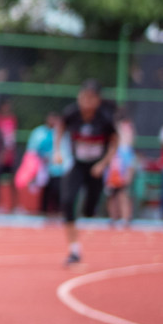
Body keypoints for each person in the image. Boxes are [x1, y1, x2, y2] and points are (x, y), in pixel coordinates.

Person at [56, 80, 119, 266]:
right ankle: (74, 250)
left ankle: (89, 212)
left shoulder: (105, 119)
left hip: (96, 169)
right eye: (82, 97)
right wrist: (57, 150)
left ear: (98, 100)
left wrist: (103, 163)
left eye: (90, 98)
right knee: (67, 201)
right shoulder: (71, 113)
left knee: (90, 210)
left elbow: (115, 142)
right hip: (77, 164)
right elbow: (60, 127)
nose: (85, 101)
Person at [21, 111, 65, 216]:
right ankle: (43, 211)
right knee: (44, 189)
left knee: (57, 189)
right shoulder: (39, 132)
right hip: (42, 166)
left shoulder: (60, 132)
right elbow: (32, 149)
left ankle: (57, 211)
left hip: (57, 168)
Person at [106, 111, 136, 228]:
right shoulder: (115, 149)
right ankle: (114, 217)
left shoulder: (126, 148)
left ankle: (125, 218)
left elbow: (130, 163)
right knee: (112, 194)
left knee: (123, 193)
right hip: (114, 163)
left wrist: (129, 173)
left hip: (121, 162)